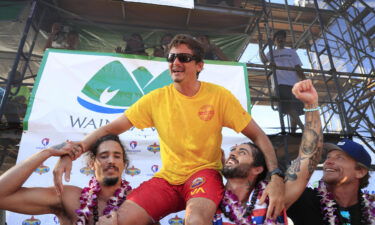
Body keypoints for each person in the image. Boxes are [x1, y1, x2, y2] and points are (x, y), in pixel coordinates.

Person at [54, 34, 284, 225]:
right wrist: (76, 149)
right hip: (167, 180)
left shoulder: (219, 96)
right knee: (115, 221)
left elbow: (258, 135)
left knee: (195, 220)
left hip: (203, 174)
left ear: (199, 65)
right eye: (171, 57)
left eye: (184, 58)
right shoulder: (156, 98)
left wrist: (275, 177)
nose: (175, 63)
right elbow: (112, 127)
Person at [214, 79, 323, 225]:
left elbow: (308, 157)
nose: (233, 153)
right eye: (232, 150)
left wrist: (311, 105)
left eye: (242, 152)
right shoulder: (208, 198)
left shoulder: (274, 199)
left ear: (257, 169)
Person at [0, 135, 132, 225]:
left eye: (117, 156)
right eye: (104, 156)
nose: (111, 161)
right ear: (91, 163)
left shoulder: (137, 202)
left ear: (124, 163)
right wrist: (47, 152)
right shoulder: (69, 198)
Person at [287, 138, 374, 225]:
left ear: (360, 172)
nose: (328, 162)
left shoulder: (371, 210)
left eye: (339, 158)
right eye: (328, 157)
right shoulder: (305, 200)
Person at [260, 30, 305, 133]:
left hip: (294, 83)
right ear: (275, 41)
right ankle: (303, 127)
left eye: (282, 37)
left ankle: (293, 132)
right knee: (287, 106)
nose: (280, 39)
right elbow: (264, 61)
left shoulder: (292, 52)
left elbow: (298, 67)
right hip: (279, 83)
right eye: (278, 38)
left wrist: (304, 80)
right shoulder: (271, 53)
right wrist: (261, 47)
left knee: (296, 109)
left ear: (285, 39)